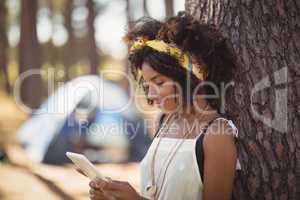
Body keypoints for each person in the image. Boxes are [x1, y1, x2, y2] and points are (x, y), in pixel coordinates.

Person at [86, 12, 241, 200]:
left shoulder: (216, 135)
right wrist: (114, 195)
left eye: (159, 83)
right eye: (147, 85)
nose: (150, 94)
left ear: (193, 77)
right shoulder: (164, 120)